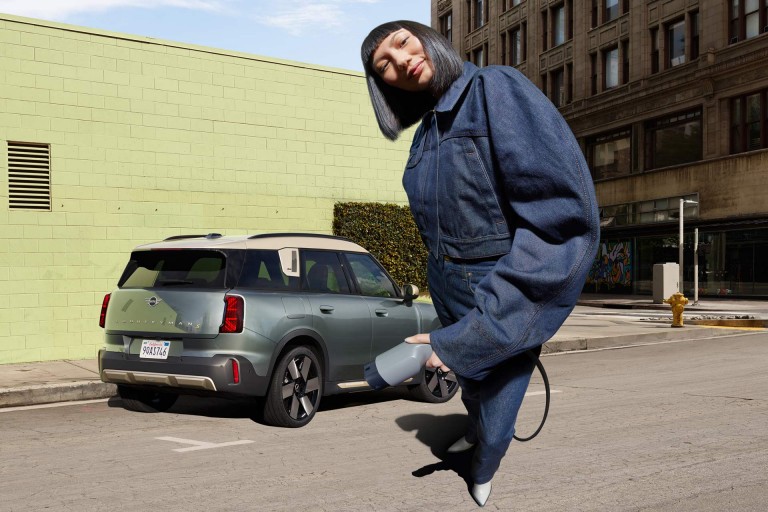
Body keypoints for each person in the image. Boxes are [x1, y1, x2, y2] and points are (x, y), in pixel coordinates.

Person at [361, 20, 599, 507]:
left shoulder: (495, 89)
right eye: (384, 65)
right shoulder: (425, 132)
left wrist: (492, 316)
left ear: (428, 38)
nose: (401, 61)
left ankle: (484, 464)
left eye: (403, 43)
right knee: (469, 387)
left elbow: (560, 224)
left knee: (495, 407)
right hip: (446, 284)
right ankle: (474, 435)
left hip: (498, 287)